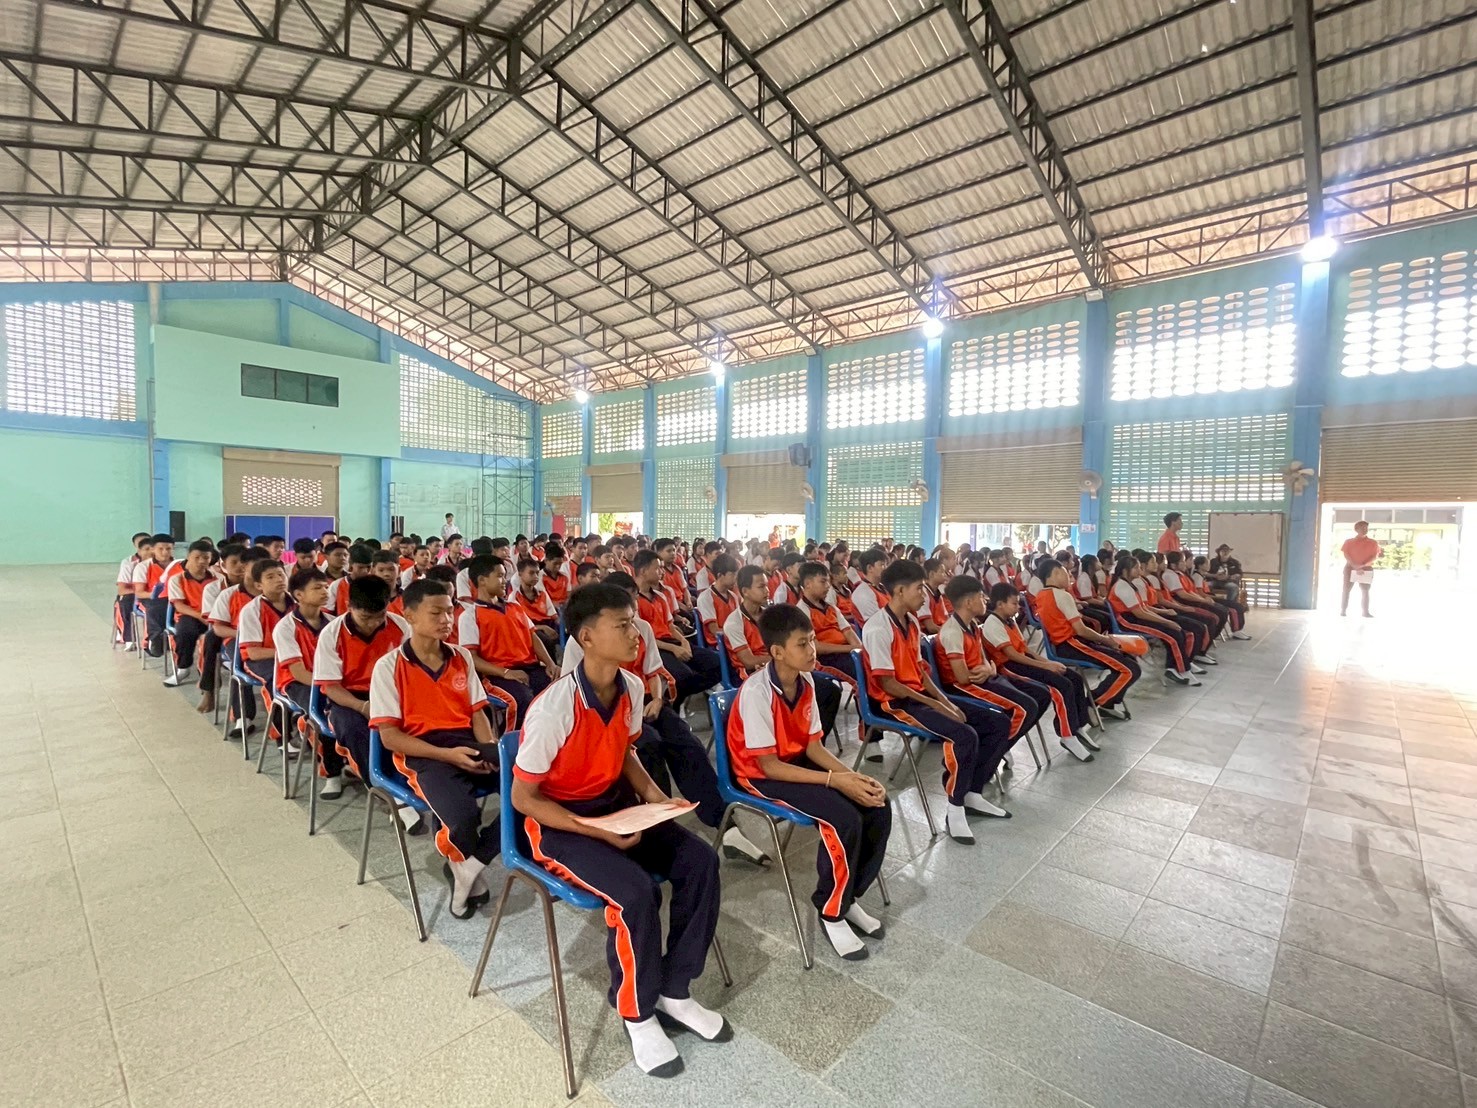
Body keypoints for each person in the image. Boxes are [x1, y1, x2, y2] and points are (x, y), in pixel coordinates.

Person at [514, 583, 728, 1078]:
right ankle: (637, 1011)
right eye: (625, 624)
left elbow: (625, 751)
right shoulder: (554, 707)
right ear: (587, 637)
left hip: (614, 808)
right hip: (559, 823)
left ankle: (675, 989)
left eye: (635, 621)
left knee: (700, 861)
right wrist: (594, 831)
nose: (637, 633)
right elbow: (524, 798)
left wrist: (653, 797)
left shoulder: (630, 686)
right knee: (635, 894)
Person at [727, 604, 891, 961]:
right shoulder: (757, 692)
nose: (812, 649)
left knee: (877, 803)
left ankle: (848, 897)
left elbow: (814, 748)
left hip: (794, 763)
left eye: (813, 640)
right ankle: (830, 910)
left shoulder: (807, 682)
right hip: (760, 776)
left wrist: (852, 777)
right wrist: (835, 782)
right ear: (777, 651)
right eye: (803, 644)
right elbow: (769, 766)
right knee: (842, 818)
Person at [370, 578, 501, 917]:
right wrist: (448, 756)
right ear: (409, 616)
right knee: (464, 817)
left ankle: (471, 864)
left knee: (536, 790)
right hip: (424, 752)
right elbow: (390, 737)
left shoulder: (460, 657)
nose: (447, 620)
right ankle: (461, 862)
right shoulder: (388, 667)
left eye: (450, 611)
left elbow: (477, 713)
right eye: (436, 613)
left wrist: (487, 749)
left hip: (466, 742)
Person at [862, 559, 1013, 842]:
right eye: (919, 589)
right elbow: (888, 684)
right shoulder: (878, 628)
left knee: (998, 722)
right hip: (894, 703)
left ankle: (972, 792)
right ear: (899, 591)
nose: (924, 595)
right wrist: (936, 705)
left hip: (918, 696)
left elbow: (921, 671)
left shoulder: (911, 623)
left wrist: (946, 701)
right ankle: (955, 809)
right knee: (964, 735)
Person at [313, 575, 412, 805]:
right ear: (349, 606)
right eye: (366, 617)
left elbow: (408, 672)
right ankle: (384, 791)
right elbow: (331, 687)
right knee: (352, 727)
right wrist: (363, 706)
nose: (373, 623)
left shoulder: (400, 626)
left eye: (380, 616)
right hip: (348, 697)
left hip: (389, 693)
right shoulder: (331, 634)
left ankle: (406, 782)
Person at [979, 582, 1097, 760]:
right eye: (1014, 603)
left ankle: (1077, 726)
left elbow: (1025, 649)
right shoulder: (992, 623)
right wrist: (1046, 666)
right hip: (1010, 667)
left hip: (1022, 659)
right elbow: (1012, 655)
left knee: (1074, 678)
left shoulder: (1009, 620)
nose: (1018, 607)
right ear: (1000, 604)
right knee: (1060, 686)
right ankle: (1067, 735)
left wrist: (1046, 661)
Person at [933, 578, 1046, 762]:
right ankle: (991, 752)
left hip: (983, 678)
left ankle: (997, 747)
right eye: (980, 596)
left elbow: (985, 661)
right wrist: (988, 670)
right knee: (1025, 708)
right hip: (963, 686)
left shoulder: (972, 624)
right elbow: (962, 677)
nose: (986, 599)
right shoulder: (952, 631)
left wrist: (988, 670)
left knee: (1041, 695)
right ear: (968, 602)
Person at [458, 554, 560, 730]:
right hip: (496, 675)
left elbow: (533, 637)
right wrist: (505, 672)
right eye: (499, 576)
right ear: (482, 580)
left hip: (530, 668)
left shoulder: (515, 607)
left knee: (558, 690)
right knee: (519, 701)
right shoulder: (470, 616)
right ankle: (512, 742)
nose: (505, 581)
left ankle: (549, 738)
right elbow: (471, 658)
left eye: (504, 576)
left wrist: (550, 663)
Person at [1033, 558, 1142, 720]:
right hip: (1072, 644)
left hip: (1065, 645)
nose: (1070, 576)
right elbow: (1081, 630)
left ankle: (1108, 703)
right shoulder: (1062, 595)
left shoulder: (1041, 594)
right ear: (1055, 573)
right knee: (1130, 669)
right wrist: (1105, 640)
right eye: (1066, 573)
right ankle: (1092, 703)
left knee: (1128, 660)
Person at [632, 550, 720, 700]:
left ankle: (679, 696)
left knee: (716, 663)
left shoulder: (660, 596)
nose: (662, 572)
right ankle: (676, 699)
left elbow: (670, 626)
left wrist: (684, 642)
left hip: (671, 640)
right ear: (643, 571)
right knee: (683, 676)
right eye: (657, 568)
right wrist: (674, 648)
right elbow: (645, 638)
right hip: (656, 647)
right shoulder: (633, 601)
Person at [1105, 555, 1201, 687]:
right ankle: (1182, 670)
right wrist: (1166, 621)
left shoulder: (1129, 584)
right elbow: (1139, 613)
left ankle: (1175, 667)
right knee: (1171, 635)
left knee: (1176, 631)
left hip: (1135, 618)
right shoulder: (1122, 586)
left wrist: (1164, 617)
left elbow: (1143, 608)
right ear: (1125, 571)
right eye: (1136, 568)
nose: (1139, 570)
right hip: (1127, 622)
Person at [162, 539, 216, 686]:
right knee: (186, 632)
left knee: (219, 635)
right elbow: (179, 606)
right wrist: (200, 616)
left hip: (213, 616)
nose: (201, 561)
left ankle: (213, 669)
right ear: (188, 557)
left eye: (206, 557)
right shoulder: (177, 579)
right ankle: (183, 668)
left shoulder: (218, 578)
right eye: (197, 557)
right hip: (190, 615)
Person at [132, 533, 176, 657]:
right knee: (156, 607)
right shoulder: (143, 567)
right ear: (152, 549)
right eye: (160, 549)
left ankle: (175, 639)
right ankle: (155, 639)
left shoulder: (178, 565)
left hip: (173, 598)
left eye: (168, 549)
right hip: (150, 599)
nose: (165, 552)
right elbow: (139, 592)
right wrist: (154, 594)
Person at [1340, 520, 1381, 618]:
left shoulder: (1373, 543)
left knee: (1365, 591)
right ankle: (1343, 610)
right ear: (1356, 529)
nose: (1365, 529)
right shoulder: (1349, 542)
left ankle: (1365, 612)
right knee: (1346, 590)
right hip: (1350, 568)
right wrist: (1354, 566)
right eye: (1362, 527)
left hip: (1366, 569)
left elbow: (1374, 556)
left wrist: (1362, 566)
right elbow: (1346, 555)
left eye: (1366, 528)